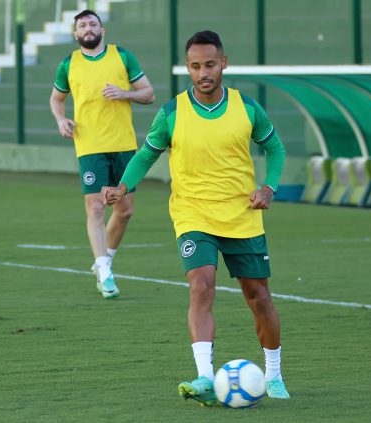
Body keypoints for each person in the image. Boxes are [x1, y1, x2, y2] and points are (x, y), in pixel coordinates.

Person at [102, 30, 289, 405]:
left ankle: (274, 375)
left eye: (209, 64)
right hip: (192, 213)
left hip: (242, 215)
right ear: (187, 68)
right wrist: (123, 186)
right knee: (201, 285)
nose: (203, 72)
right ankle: (205, 376)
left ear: (224, 63)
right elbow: (145, 155)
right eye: (195, 66)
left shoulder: (247, 107)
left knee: (259, 297)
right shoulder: (171, 112)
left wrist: (269, 187)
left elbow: (275, 148)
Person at [49, 9, 154, 299]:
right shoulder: (68, 64)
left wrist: (125, 94)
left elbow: (148, 93)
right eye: (82, 25)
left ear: (102, 30)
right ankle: (105, 271)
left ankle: (104, 259)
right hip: (89, 145)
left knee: (124, 210)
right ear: (75, 34)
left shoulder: (122, 56)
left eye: (92, 23)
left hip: (123, 145)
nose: (88, 28)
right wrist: (60, 119)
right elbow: (56, 99)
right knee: (96, 207)